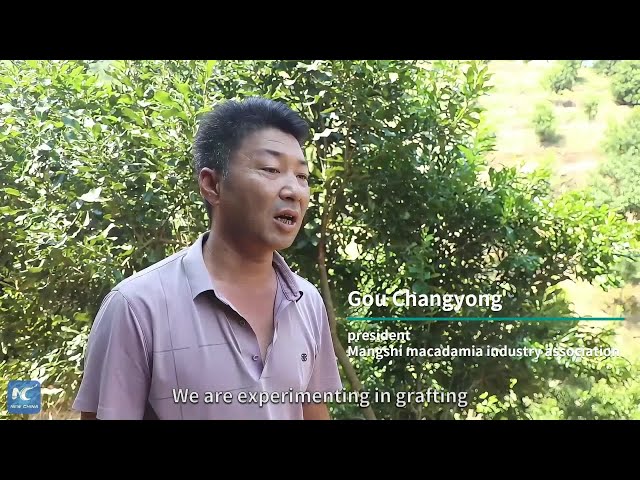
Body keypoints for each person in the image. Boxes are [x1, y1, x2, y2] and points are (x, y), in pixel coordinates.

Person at [72, 97, 343, 420]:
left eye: (302, 176)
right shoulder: (136, 307)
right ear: (212, 185)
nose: (294, 191)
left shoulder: (306, 302)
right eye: (271, 169)